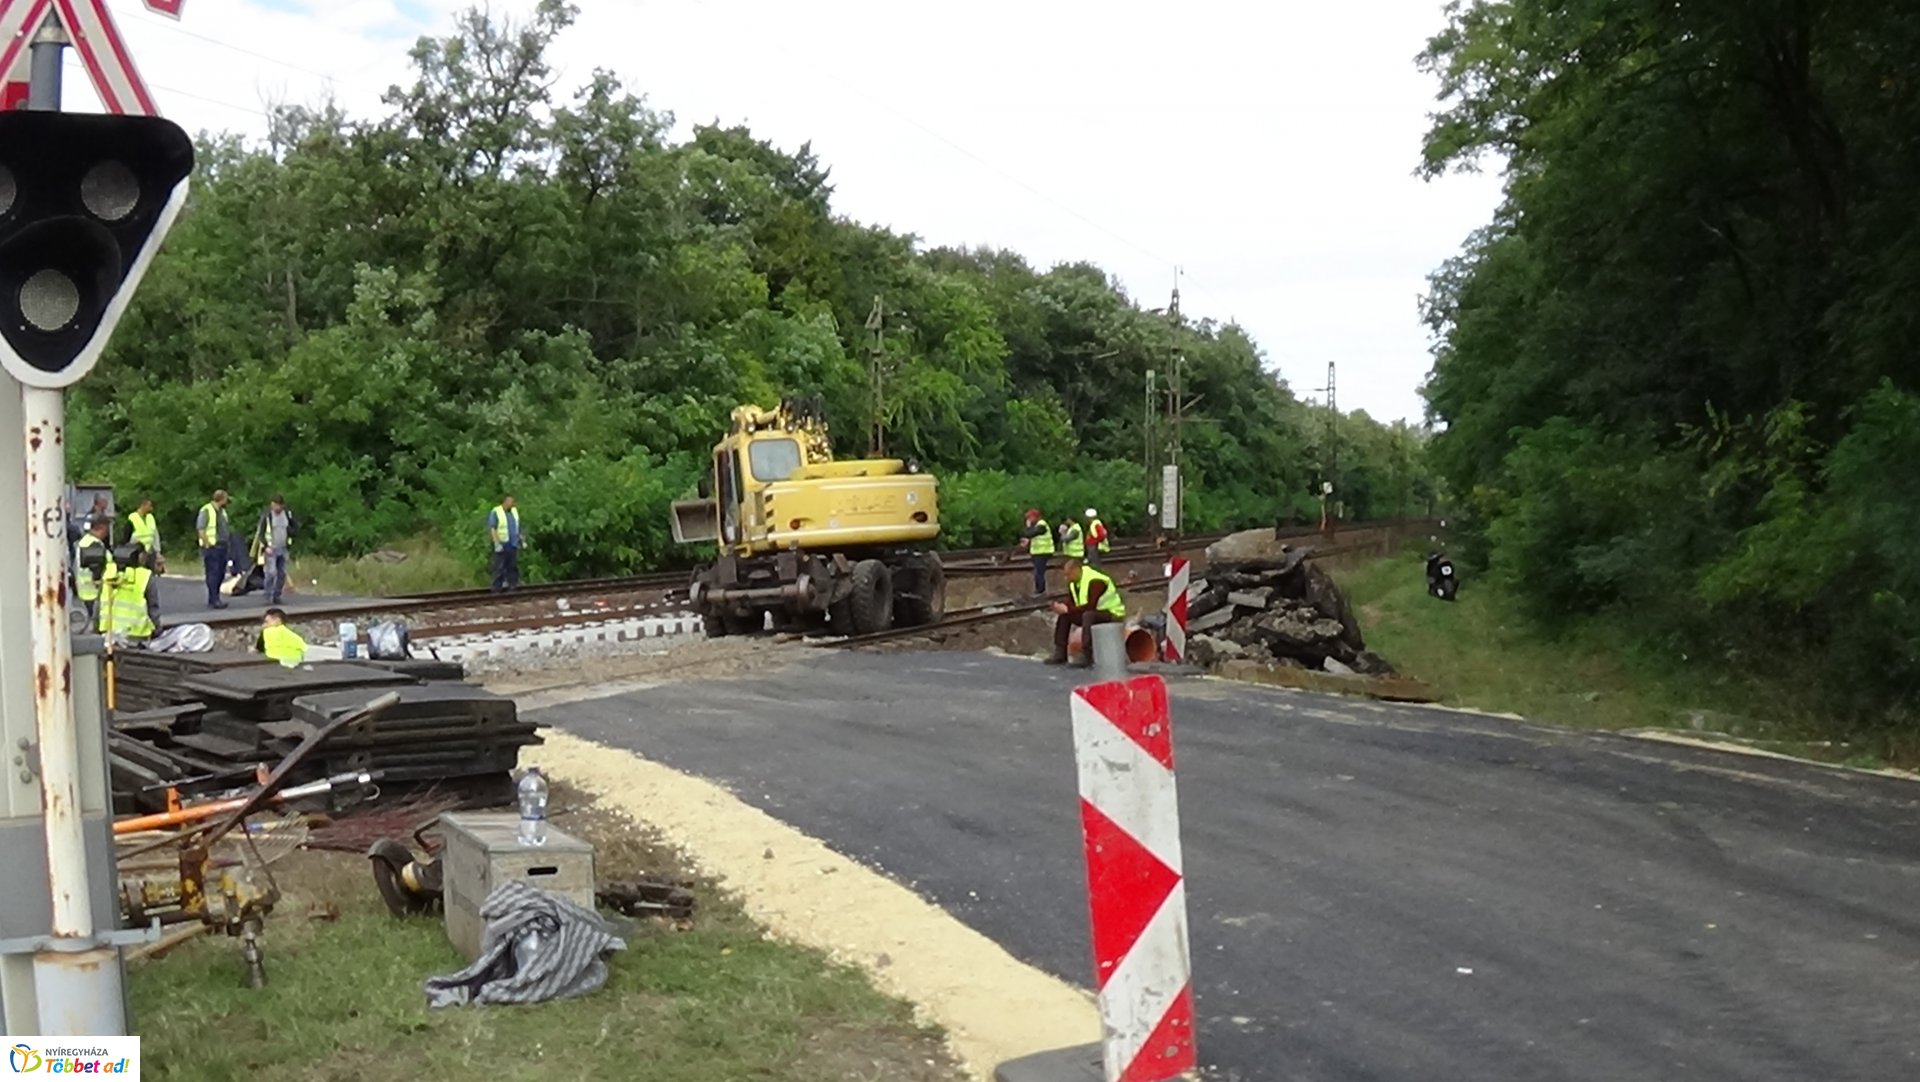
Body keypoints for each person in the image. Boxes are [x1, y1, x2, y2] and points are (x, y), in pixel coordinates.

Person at [1046, 555, 1127, 667]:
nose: (1066, 578)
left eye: (1068, 575)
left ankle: (1086, 654)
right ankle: (1060, 652)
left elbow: (1090, 605)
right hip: (1092, 613)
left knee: (1088, 615)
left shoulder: (1095, 581)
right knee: (1064, 616)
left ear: (1076, 570)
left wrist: (1068, 609)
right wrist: (1063, 607)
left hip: (1112, 614)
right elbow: (1073, 602)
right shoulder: (1074, 582)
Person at [98, 544, 160, 643]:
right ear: (139, 556)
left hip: (109, 634)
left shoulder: (108, 573)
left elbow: (99, 604)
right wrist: (157, 630)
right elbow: (153, 607)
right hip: (137, 634)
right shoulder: (145, 576)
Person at [250, 494, 299, 606]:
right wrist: (266, 546)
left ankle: (277, 596)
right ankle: (268, 595)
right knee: (271, 572)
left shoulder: (287, 515)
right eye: (274, 505)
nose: (275, 508)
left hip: (283, 547)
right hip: (271, 548)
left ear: (282, 505)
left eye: (277, 505)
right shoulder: (267, 516)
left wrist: (292, 530)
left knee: (282, 573)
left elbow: (294, 528)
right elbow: (261, 533)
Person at [73, 518, 115, 625]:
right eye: (106, 530)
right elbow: (96, 565)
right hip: (95, 589)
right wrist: (99, 580)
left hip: (86, 587)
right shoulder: (94, 544)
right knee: (98, 619)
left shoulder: (85, 541)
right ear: (101, 528)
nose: (107, 533)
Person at [196, 489, 232, 610]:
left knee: (221, 573)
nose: (227, 501)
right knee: (213, 573)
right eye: (226, 499)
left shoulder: (222, 512)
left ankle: (216, 597)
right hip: (212, 547)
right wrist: (207, 544)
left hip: (222, 546)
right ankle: (213, 599)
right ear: (221, 499)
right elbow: (201, 529)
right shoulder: (206, 510)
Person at [487, 495, 521, 593]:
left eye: (513, 502)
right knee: (499, 567)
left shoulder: (514, 512)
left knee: (512, 566)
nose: (512, 504)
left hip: (513, 543)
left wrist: (521, 539)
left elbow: (517, 526)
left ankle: (512, 587)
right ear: (505, 501)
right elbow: (493, 528)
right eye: (510, 501)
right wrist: (496, 543)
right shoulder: (496, 512)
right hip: (502, 543)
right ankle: (496, 588)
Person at [1017, 508, 1055, 595]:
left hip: (1042, 552)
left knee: (1039, 572)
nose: (1028, 520)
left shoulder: (1042, 526)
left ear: (1035, 517)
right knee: (1038, 571)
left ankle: (1040, 590)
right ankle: (1039, 589)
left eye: (1030, 517)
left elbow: (1029, 533)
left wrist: (1028, 526)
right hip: (1038, 552)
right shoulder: (1038, 526)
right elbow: (1033, 536)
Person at [127, 497, 163, 573]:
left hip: (150, 552)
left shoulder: (150, 518)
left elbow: (155, 536)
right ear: (142, 505)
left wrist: (158, 552)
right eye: (149, 506)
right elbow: (127, 537)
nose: (151, 509)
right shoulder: (132, 518)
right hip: (137, 552)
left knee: (151, 574)